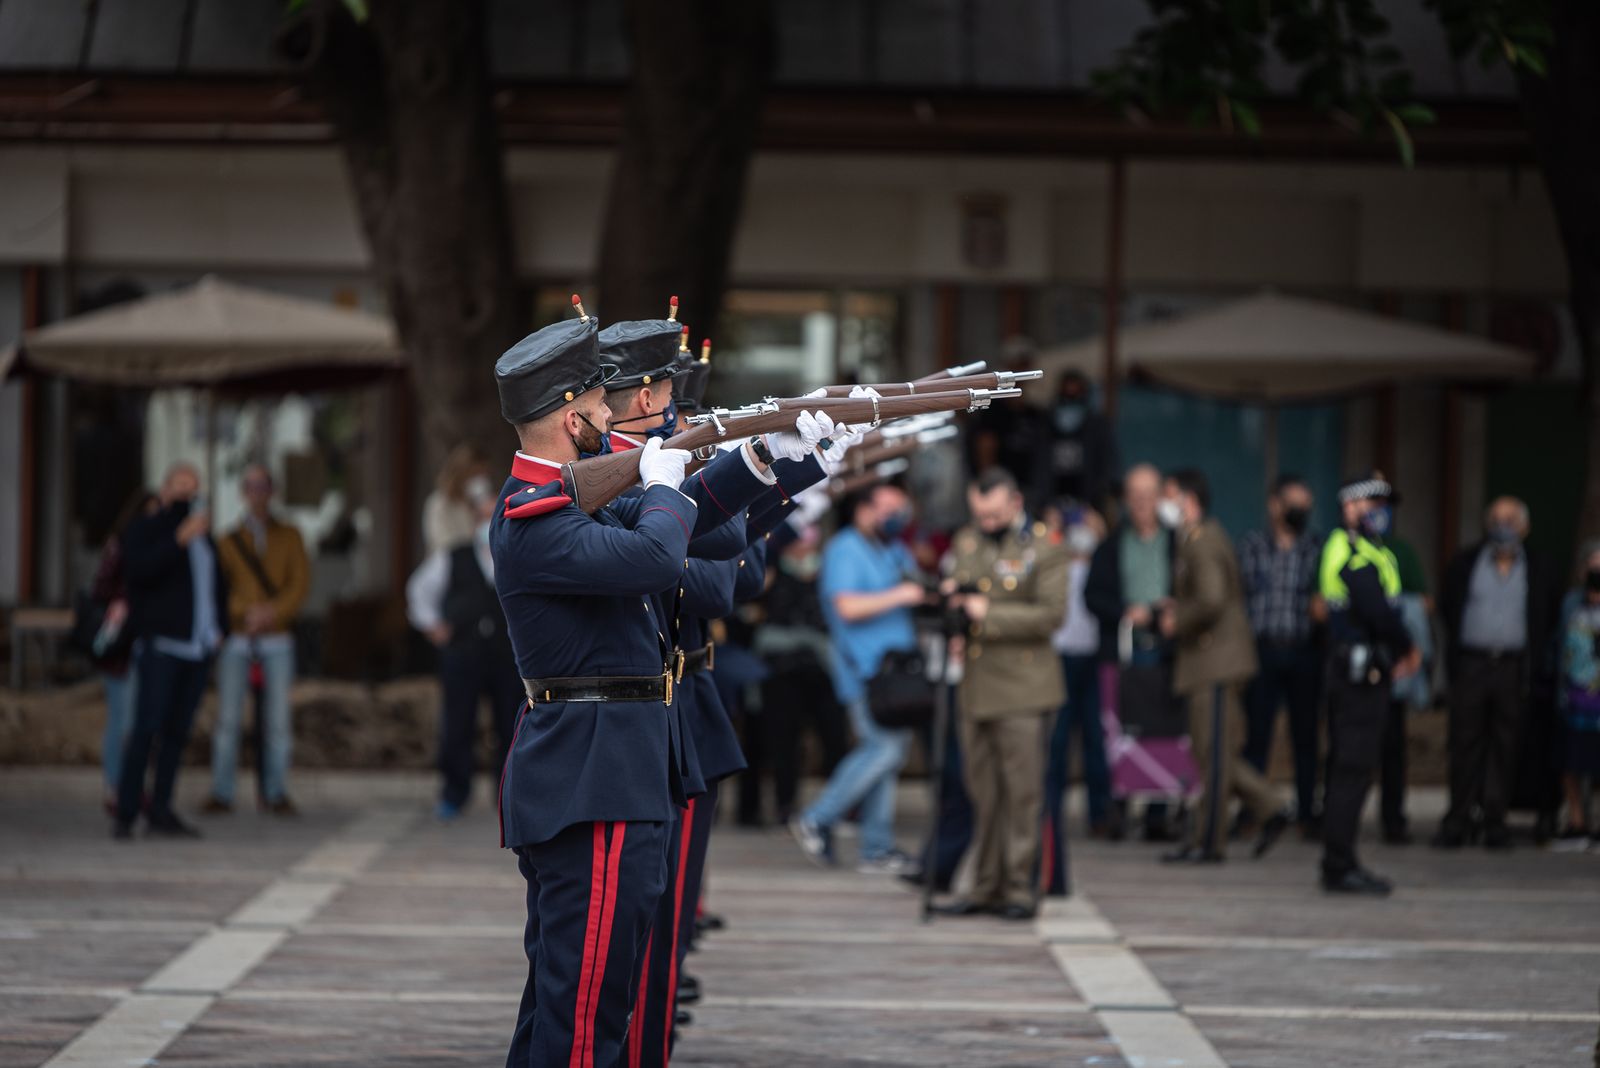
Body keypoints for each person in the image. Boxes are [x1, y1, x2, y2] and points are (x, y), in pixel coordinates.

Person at [490, 306, 827, 1067]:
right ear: (573, 420)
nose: (613, 415)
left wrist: (772, 463)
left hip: (609, 771)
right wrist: (669, 485)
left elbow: (706, 527)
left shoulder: (578, 497)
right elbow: (657, 560)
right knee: (585, 1019)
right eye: (599, 406)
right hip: (595, 778)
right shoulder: (535, 518)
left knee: (566, 1004)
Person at [934, 468, 1069, 920]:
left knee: (1022, 794)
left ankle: (1017, 889)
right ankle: (985, 886)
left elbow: (1050, 615)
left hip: (1024, 689)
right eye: (979, 515)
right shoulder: (967, 542)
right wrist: (954, 605)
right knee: (984, 794)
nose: (985, 523)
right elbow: (961, 595)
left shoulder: (1045, 546)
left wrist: (987, 612)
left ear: (1015, 503)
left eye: (993, 515)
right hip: (975, 687)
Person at [790, 481, 925, 875]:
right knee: (884, 750)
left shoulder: (892, 548)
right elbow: (846, 606)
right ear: (864, 508)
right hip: (865, 669)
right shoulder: (845, 548)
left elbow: (917, 588)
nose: (897, 516)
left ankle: (876, 848)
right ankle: (817, 816)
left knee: (887, 751)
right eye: (889, 507)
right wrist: (903, 595)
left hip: (897, 670)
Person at [1158, 469, 1289, 863]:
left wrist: (1176, 620)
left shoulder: (1202, 541)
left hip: (1215, 663)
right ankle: (1265, 811)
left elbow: (1212, 599)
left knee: (1214, 757)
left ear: (1188, 499)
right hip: (1210, 663)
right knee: (1212, 756)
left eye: (1169, 495)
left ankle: (1210, 841)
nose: (1166, 505)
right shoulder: (1194, 539)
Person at [1435, 496, 1559, 849]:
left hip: (1513, 666)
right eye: (1496, 518)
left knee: (1506, 744)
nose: (1502, 525)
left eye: (1510, 519)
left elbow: (1547, 616)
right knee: (1464, 742)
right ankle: (1458, 818)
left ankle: (1494, 819)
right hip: (1472, 664)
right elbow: (1448, 608)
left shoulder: (1539, 567)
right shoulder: (1465, 562)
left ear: (1524, 527)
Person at [1317, 472, 1420, 895]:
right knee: (1351, 769)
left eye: (1384, 504)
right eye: (1371, 503)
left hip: (1365, 671)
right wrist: (1408, 648)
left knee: (1355, 768)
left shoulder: (1373, 549)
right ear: (1350, 508)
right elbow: (1376, 611)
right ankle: (1339, 864)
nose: (1382, 512)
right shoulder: (1352, 549)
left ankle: (1341, 859)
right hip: (1357, 674)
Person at [114, 462, 229, 840]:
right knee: (146, 729)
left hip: (198, 649)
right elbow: (139, 572)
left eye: (193, 489)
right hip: (162, 647)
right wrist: (178, 539)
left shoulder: (205, 540)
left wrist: (220, 630)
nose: (187, 495)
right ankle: (127, 811)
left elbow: (216, 589)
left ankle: (161, 808)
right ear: (164, 490)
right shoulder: (147, 530)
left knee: (176, 734)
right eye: (180, 487)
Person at [406, 481, 521, 822]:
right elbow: (418, 591)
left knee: (510, 724)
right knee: (457, 723)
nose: (487, 522)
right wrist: (434, 627)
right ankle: (454, 793)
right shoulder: (453, 556)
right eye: (481, 515)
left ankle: (508, 795)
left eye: (492, 514)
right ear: (473, 519)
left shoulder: (514, 552)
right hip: (463, 653)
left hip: (507, 655)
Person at [206, 464, 310, 817]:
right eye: (251, 486)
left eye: (263, 485)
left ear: (272, 490)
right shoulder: (227, 541)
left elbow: (300, 584)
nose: (257, 492)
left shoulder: (291, 536)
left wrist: (273, 613)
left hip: (277, 638)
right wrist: (245, 613)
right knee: (228, 720)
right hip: (238, 639)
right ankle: (222, 791)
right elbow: (219, 589)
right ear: (243, 492)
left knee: (279, 722)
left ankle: (276, 791)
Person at [1083, 463, 1176, 840]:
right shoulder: (1110, 545)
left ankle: (1158, 812)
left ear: (1161, 498)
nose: (1141, 503)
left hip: (1165, 651)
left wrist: (1167, 610)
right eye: (1134, 496)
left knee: (1165, 729)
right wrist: (1126, 612)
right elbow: (1091, 597)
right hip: (1119, 652)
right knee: (1113, 733)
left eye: (1148, 495)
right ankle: (1114, 809)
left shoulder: (1177, 541)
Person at [1238, 474, 1324, 837]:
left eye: (1305, 506)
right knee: (1256, 737)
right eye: (1292, 504)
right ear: (1274, 504)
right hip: (1262, 651)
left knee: (1306, 738)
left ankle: (1307, 814)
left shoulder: (1316, 548)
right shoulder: (1253, 546)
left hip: (1304, 652)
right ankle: (1254, 813)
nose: (1298, 512)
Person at [1043, 506, 1109, 893]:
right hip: (1059, 659)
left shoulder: (1098, 562)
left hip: (1090, 658)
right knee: (1058, 741)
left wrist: (1096, 530)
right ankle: (1054, 812)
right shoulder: (1053, 562)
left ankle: (1099, 813)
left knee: (1095, 739)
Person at [87, 490, 156, 815]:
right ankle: (117, 787)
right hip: (121, 648)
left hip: (151, 646)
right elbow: (100, 588)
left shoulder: (163, 550)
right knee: (122, 720)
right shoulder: (121, 546)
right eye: (149, 513)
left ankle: (133, 785)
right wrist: (128, 597)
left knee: (141, 722)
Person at [1382, 523, 1434, 844]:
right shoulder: (1341, 547)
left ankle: (1393, 819)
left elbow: (1424, 602)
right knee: (1349, 754)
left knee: (1392, 748)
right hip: (1354, 667)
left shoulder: (1401, 551)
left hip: (1394, 663)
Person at [1554, 539, 1600, 850]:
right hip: (1575, 694)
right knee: (1571, 760)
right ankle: (1577, 821)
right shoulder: (1572, 602)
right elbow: (1560, 645)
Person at [1045, 370, 1118, 514]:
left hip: (1089, 506)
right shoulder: (1047, 424)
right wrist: (1045, 506)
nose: (1071, 400)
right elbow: (1041, 470)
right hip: (1053, 506)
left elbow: (1107, 468)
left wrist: (1095, 506)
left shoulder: (1097, 425)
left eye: (1076, 395)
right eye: (1067, 396)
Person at [423, 443, 490, 554]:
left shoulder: (479, 504)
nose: (481, 479)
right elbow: (443, 544)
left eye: (484, 473)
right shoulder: (439, 503)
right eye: (476, 473)